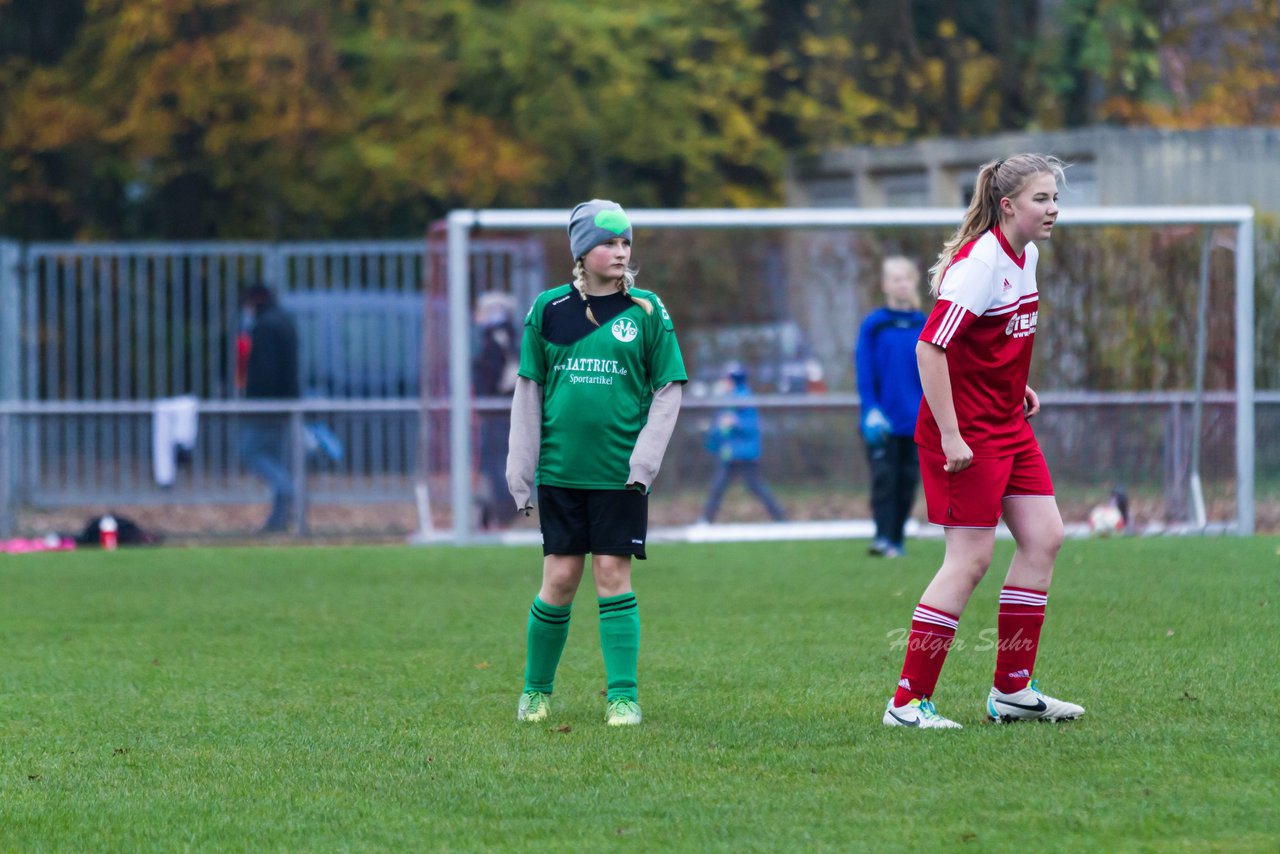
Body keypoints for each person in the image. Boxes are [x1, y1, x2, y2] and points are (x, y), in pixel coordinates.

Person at [881, 154, 1085, 729]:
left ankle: (1012, 692)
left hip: (1006, 424)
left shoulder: (1029, 256)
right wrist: (950, 434)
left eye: (1054, 198)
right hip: (966, 434)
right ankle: (907, 703)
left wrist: (1018, 386)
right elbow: (930, 348)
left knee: (1044, 537)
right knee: (968, 560)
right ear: (1008, 206)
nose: (1053, 209)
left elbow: (996, 339)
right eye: (1042, 199)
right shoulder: (979, 265)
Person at [506, 199, 686, 727]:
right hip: (561, 472)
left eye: (625, 242)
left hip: (620, 477)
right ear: (583, 250)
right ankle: (535, 692)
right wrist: (520, 472)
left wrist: (644, 462)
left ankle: (623, 697)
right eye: (609, 241)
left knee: (613, 574)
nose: (620, 251)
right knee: (560, 578)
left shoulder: (648, 310)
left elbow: (668, 389)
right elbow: (528, 392)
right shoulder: (548, 310)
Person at [854, 256, 926, 557]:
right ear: (885, 285)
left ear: (914, 282)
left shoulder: (924, 323)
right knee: (884, 479)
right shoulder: (875, 324)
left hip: (917, 420)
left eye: (905, 278)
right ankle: (882, 537)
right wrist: (870, 408)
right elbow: (864, 369)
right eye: (894, 278)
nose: (901, 283)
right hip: (882, 421)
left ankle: (896, 539)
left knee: (907, 481)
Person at [236, 284, 299, 533]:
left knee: (252, 453)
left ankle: (287, 493)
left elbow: (266, 371)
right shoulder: (282, 321)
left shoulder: (266, 327)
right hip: (280, 403)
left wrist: (254, 399)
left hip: (268, 405)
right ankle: (278, 518)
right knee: (267, 456)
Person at [698, 362, 785, 524]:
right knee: (718, 487)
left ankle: (780, 518)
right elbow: (720, 428)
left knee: (755, 486)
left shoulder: (744, 397)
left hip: (745, 454)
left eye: (727, 379)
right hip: (731, 454)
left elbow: (751, 426)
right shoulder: (727, 399)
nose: (724, 382)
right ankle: (706, 520)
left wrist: (735, 422)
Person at [472, 291, 520, 531]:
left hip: (500, 412)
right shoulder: (502, 338)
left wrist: (489, 396)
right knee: (493, 462)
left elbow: (501, 377)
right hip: (497, 411)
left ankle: (505, 511)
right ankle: (497, 512)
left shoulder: (499, 339)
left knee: (496, 463)